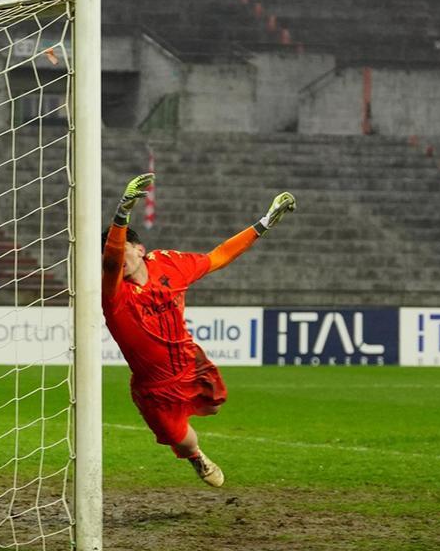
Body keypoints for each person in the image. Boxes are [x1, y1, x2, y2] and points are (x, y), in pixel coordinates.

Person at [101, 173, 296, 487]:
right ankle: (197, 458)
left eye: (123, 250)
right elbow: (110, 261)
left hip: (189, 364)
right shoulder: (113, 294)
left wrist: (263, 224)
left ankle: (193, 448)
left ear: (140, 250)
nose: (114, 259)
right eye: (109, 257)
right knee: (183, 441)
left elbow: (218, 256)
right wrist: (123, 211)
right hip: (154, 388)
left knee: (214, 407)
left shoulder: (170, 266)